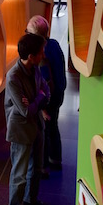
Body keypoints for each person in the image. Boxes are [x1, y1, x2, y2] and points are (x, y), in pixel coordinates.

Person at [5, 32, 51, 205]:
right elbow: (25, 111)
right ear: (31, 56)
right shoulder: (13, 77)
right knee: (20, 172)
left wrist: (38, 98)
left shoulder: (35, 68)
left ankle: (31, 199)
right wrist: (39, 98)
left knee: (36, 167)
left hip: (36, 125)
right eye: (40, 52)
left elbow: (46, 90)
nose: (43, 55)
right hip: (21, 130)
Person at [26, 15, 67, 174]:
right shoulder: (54, 45)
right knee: (53, 127)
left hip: (48, 100)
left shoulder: (41, 53)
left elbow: (44, 82)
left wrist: (41, 107)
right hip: (59, 95)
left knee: (42, 130)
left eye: (28, 32)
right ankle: (55, 159)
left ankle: (42, 167)